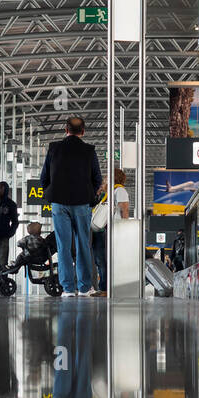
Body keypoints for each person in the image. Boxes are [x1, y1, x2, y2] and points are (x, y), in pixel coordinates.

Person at [40, 115, 100, 296]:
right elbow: (97, 178)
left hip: (59, 203)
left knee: (63, 245)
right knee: (83, 245)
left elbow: (44, 178)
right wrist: (89, 193)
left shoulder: (54, 148)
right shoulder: (89, 150)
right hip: (82, 204)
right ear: (83, 131)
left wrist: (52, 194)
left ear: (66, 130)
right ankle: (84, 287)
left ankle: (67, 288)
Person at [90, 168, 130, 296]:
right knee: (100, 259)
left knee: (104, 259)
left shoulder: (120, 190)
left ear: (114, 178)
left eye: (107, 177)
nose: (104, 179)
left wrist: (125, 227)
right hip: (106, 229)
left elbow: (125, 209)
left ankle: (106, 288)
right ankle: (103, 288)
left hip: (116, 229)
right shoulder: (109, 193)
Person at [0, 181, 19, 295]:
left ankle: (3, 286)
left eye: (0, 188)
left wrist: (9, 234)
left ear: (5, 190)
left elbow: (15, 222)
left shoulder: (11, 204)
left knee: (3, 264)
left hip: (3, 238)